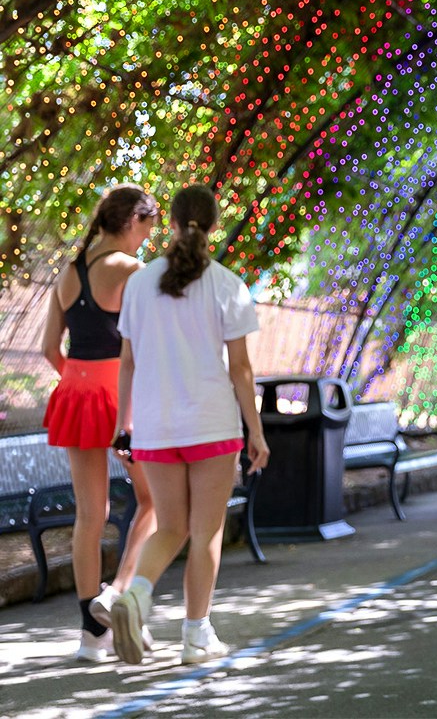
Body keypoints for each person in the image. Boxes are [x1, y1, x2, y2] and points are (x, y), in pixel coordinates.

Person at [109, 184, 270, 666]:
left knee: (170, 526)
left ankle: (136, 593)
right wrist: (256, 432)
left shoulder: (139, 283)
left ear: (172, 225)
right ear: (213, 227)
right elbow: (240, 370)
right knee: (205, 533)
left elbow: (127, 362)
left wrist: (124, 427)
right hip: (212, 426)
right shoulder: (227, 285)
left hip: (156, 429)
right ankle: (196, 636)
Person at [39, 184, 161, 662]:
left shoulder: (67, 273)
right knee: (153, 502)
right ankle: (120, 595)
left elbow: (52, 348)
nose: (145, 242)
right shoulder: (132, 271)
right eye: (146, 230)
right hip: (122, 404)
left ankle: (92, 631)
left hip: (78, 397)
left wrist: (80, 382)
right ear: (132, 221)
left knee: (90, 516)